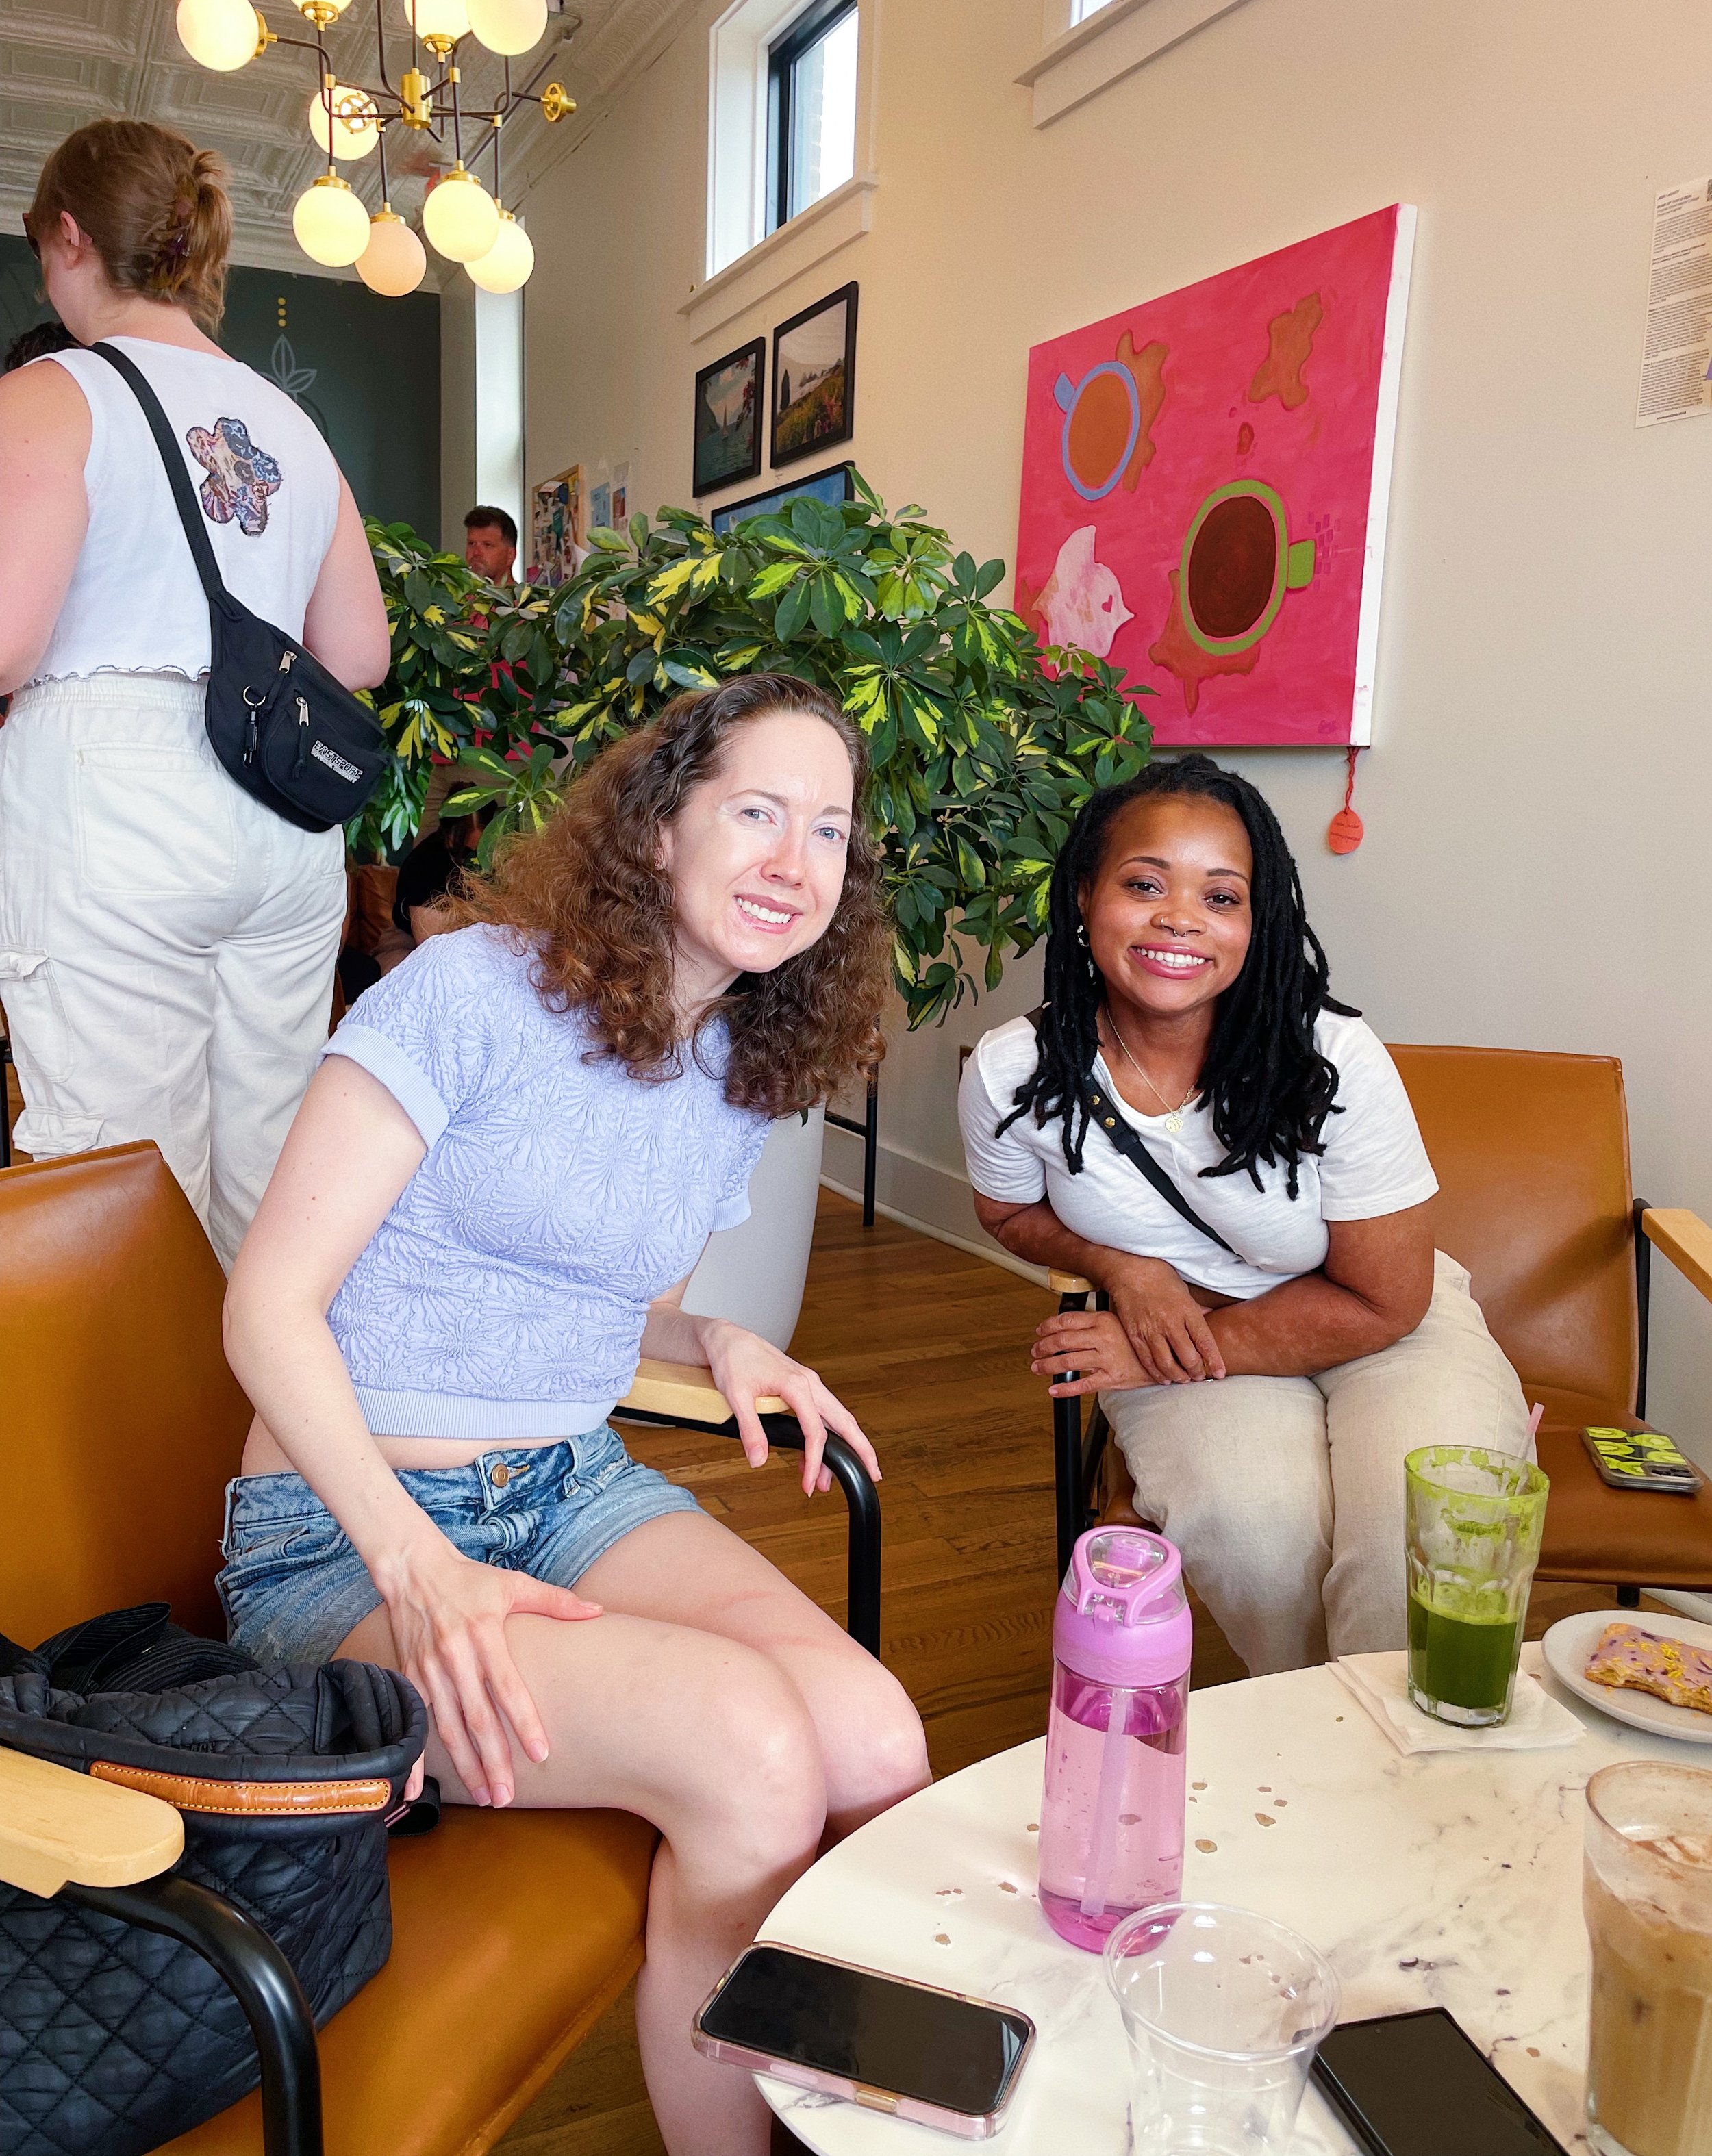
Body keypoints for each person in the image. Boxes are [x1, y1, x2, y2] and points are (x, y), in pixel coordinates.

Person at [218, 673, 930, 2156]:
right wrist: (422, 1570)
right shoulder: (470, 991)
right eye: (753, 809)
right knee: (752, 1755)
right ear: (661, 825)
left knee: (873, 1739)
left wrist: (714, 1330)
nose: (793, 858)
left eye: (826, 828)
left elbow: (586, 1289)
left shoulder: (738, 1065)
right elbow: (267, 1306)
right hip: (347, 1538)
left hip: (563, 1484)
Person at [958, 753, 1528, 1677]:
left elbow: (1385, 1302)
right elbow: (1006, 1208)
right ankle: (1315, 1736)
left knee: (1419, 1532)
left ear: (1258, 925)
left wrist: (1142, 1349)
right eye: (1144, 883)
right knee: (1257, 1536)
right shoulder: (1014, 1069)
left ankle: (1414, 1775)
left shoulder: (1330, 1058)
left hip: (1379, 1324)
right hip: (1190, 1326)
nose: (1180, 917)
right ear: (1084, 897)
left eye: (1221, 897)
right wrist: (1127, 1271)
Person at [0, 118, 390, 1268]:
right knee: (270, 1165)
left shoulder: (53, 391)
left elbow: (7, 641)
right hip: (275, 810)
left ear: (70, 236)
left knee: (119, 1171)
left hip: (110, 797)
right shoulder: (294, 424)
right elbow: (357, 652)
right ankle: (263, 1437)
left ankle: (146, 1449)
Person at [392, 797, 490, 942]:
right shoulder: (426, 863)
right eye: (477, 826)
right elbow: (428, 938)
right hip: (414, 939)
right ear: (452, 830)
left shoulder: (484, 855)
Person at [462, 502, 517, 583]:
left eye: (487, 545)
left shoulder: (525, 595)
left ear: (510, 555)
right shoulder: (452, 594)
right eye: (471, 544)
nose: (476, 553)